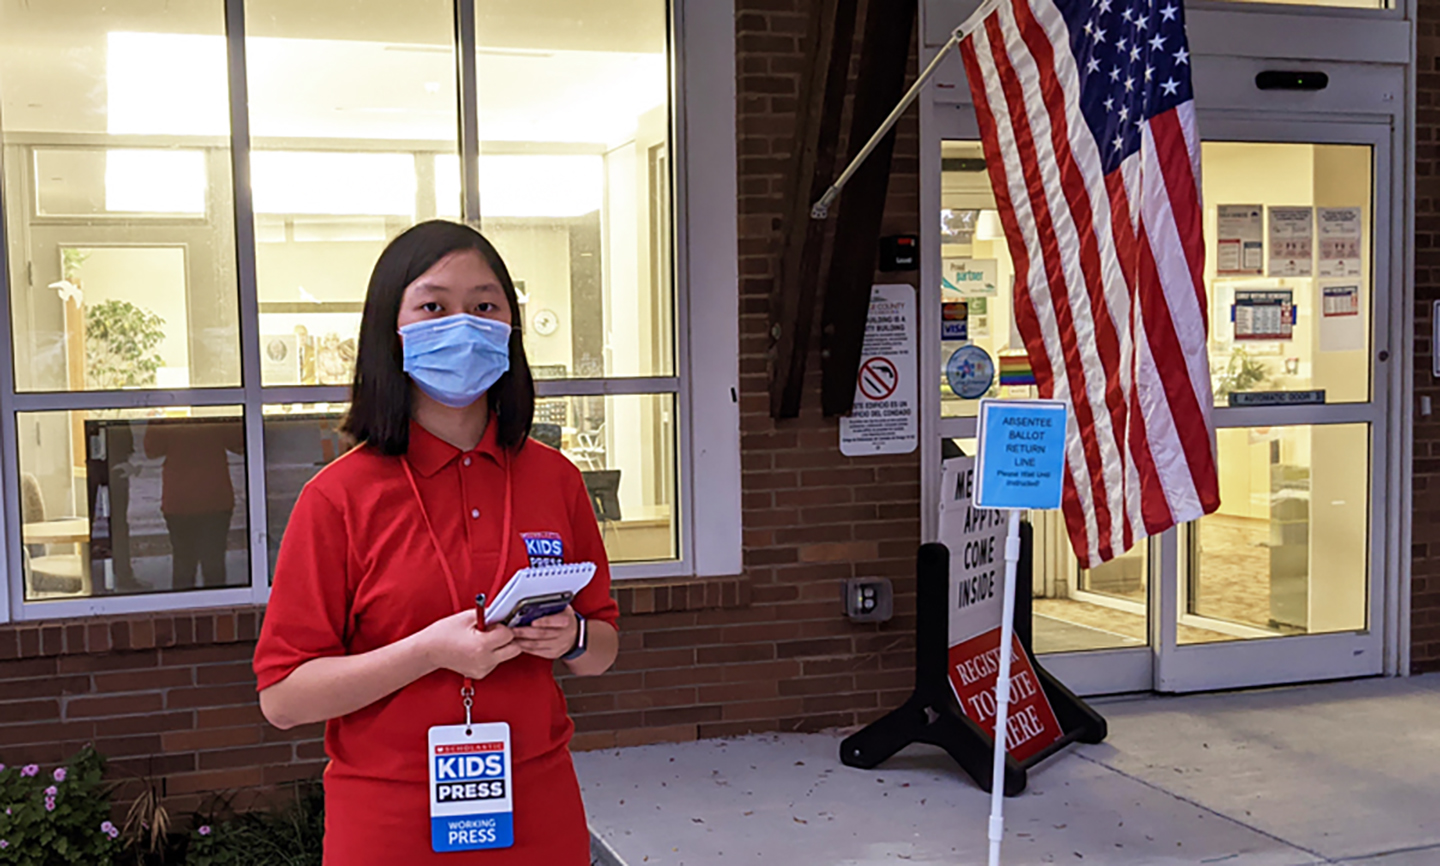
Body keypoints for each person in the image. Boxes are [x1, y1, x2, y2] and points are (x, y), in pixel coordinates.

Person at [252, 220, 619, 864]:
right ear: (391, 331)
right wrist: (426, 653)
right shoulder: (339, 497)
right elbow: (284, 698)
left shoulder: (554, 477)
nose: (464, 323)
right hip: (390, 821)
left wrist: (574, 638)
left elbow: (601, 649)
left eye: (484, 305)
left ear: (510, 325)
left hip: (539, 809)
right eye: (433, 305)